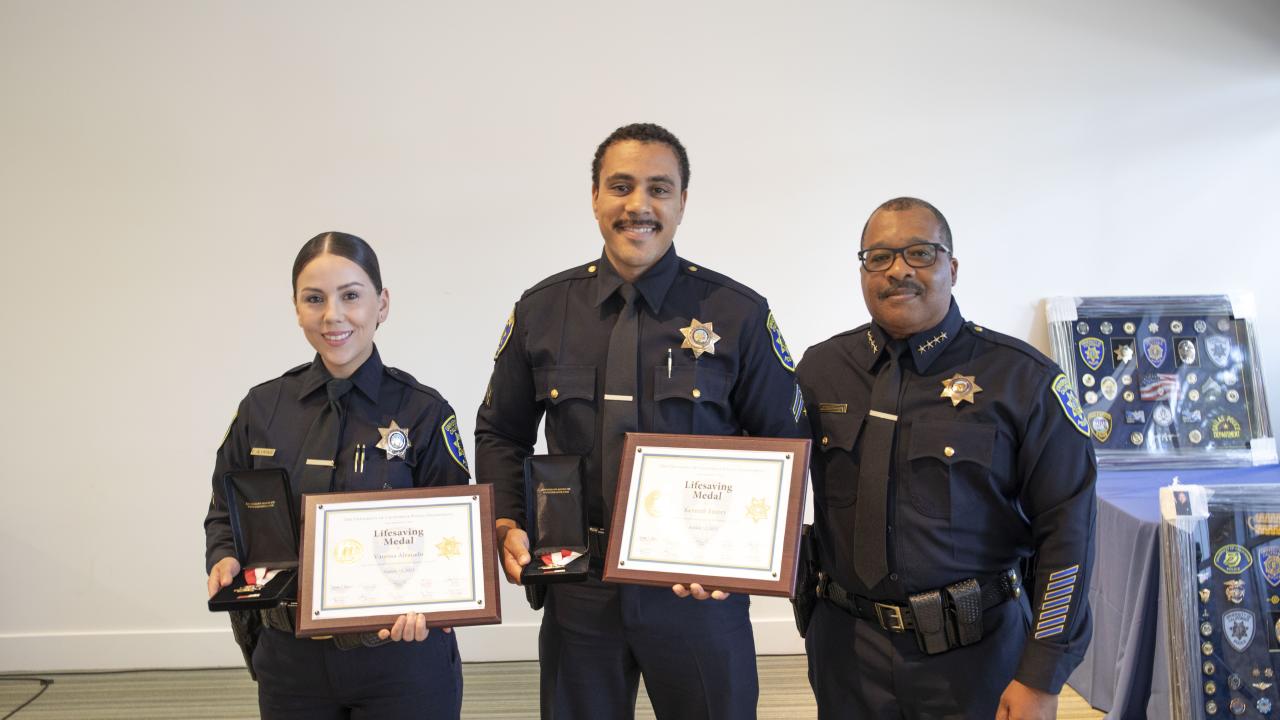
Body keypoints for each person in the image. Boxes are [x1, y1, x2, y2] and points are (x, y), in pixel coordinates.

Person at [474, 123, 809, 719]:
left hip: (698, 592)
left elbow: (784, 444)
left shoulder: (737, 313)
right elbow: (502, 431)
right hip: (579, 586)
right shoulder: (543, 310)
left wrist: (741, 558)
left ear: (682, 202)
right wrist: (506, 522)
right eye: (621, 186)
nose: (639, 206)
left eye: (659, 188)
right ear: (596, 198)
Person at [795, 198, 1096, 720]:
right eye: (879, 257)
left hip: (975, 658)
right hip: (846, 652)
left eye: (920, 253)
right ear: (862, 269)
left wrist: (1042, 676)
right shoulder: (821, 370)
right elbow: (766, 472)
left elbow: (1069, 532)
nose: (898, 271)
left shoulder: (1023, 379)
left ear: (951, 268)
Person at [204, 232, 470, 719]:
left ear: (382, 304)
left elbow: (457, 535)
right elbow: (226, 507)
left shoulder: (425, 412)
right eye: (314, 299)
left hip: (400, 660)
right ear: (297, 307)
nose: (333, 315)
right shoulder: (262, 408)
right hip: (291, 662)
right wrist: (223, 555)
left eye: (351, 295)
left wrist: (436, 603)